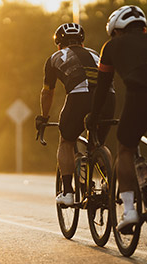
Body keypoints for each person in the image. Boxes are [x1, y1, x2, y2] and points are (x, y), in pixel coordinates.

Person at [86, 6, 147, 230]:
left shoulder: (111, 46)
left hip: (141, 94)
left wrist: (94, 117)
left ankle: (129, 211)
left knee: (125, 148)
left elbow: (102, 87)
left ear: (117, 30)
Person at [35, 23, 115, 206]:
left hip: (79, 97)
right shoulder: (96, 54)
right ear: (82, 42)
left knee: (67, 141)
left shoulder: (55, 57)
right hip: (108, 97)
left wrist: (44, 117)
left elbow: (47, 92)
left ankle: (68, 192)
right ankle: (110, 184)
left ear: (58, 44)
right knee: (98, 144)